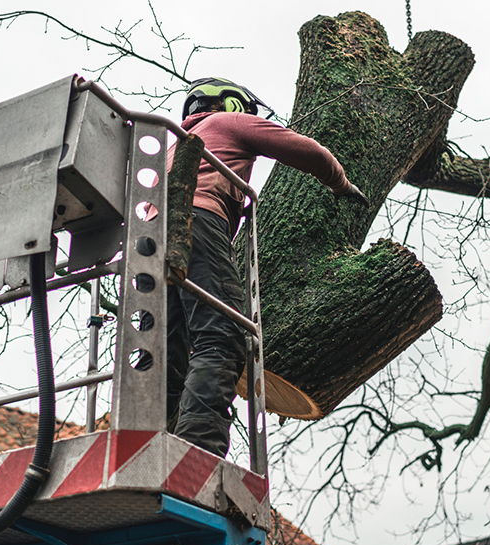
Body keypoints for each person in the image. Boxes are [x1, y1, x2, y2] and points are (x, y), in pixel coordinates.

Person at [141, 77, 369, 457]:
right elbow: (304, 149)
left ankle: (148, 444)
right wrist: (340, 182)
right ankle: (197, 452)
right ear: (231, 104)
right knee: (221, 335)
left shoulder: (174, 144)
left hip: (147, 240)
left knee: (167, 348)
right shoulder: (226, 122)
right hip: (195, 221)